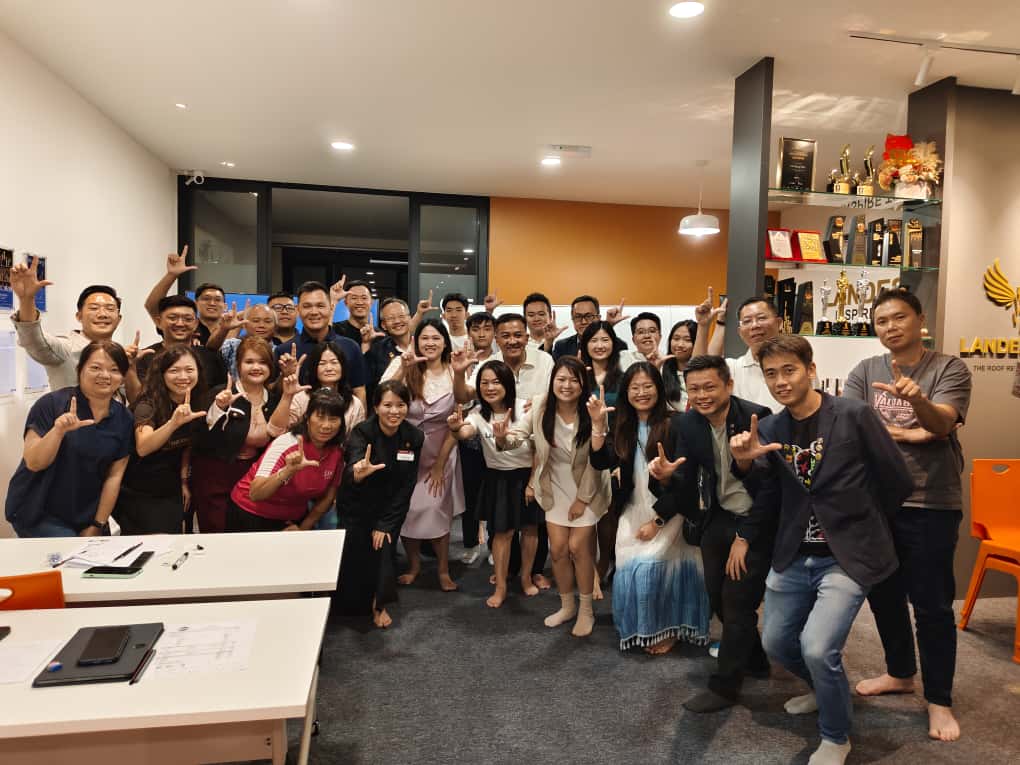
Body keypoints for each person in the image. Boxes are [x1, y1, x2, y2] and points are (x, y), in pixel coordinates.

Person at [729, 335, 912, 765]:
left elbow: (897, 480)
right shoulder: (770, 428)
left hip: (846, 557)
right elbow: (768, 493)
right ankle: (824, 688)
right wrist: (744, 463)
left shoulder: (853, 414)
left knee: (816, 647)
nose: (780, 381)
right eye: (771, 374)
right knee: (776, 642)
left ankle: (835, 736)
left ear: (811, 370)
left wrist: (862, 524)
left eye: (789, 370)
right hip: (794, 552)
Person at [844, 288, 972, 742]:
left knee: (932, 605)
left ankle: (939, 700)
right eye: (881, 321)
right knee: (884, 595)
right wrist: (911, 434)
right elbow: (853, 428)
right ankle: (900, 673)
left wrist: (920, 406)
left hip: (930, 502)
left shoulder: (949, 368)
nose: (890, 327)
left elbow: (942, 423)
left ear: (920, 320)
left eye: (899, 317)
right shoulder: (864, 371)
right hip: (878, 503)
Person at [646, 355, 773, 711]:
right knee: (717, 598)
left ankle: (724, 687)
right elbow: (684, 479)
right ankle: (756, 660)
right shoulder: (687, 423)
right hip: (717, 518)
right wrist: (665, 478)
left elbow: (770, 489)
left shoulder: (757, 417)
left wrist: (745, 538)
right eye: (694, 388)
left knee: (737, 602)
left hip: (755, 520)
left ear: (728, 385)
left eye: (709, 387)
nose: (702, 395)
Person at [590, 362, 711, 653]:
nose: (641, 393)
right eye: (635, 387)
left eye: (648, 386)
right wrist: (597, 426)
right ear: (626, 392)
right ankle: (643, 627)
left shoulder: (678, 423)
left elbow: (686, 481)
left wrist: (657, 522)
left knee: (654, 570)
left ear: (659, 388)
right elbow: (601, 461)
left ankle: (669, 629)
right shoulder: (623, 424)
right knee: (627, 568)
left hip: (671, 510)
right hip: (633, 508)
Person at [496, 356, 611, 637]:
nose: (566, 385)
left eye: (573, 380)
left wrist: (582, 500)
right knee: (558, 550)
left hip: (588, 487)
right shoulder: (540, 406)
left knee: (578, 548)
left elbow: (596, 462)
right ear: (552, 381)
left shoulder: (593, 410)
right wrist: (501, 437)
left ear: (583, 384)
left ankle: (586, 611)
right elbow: (517, 436)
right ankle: (567, 606)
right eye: (561, 379)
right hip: (554, 486)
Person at [454, 312, 555, 589]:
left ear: (526, 336)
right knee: (502, 528)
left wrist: (538, 402)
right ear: (496, 339)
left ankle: (531, 573)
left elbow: (556, 394)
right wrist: (460, 373)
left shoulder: (544, 360)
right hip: (497, 464)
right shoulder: (488, 367)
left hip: (533, 457)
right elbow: (464, 400)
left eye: (518, 335)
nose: (512, 340)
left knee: (533, 526)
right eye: (505, 335)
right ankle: (506, 574)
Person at [5, 341, 134, 537]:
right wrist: (58, 431)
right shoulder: (52, 404)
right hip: (38, 510)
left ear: (123, 377)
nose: (105, 375)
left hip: (85, 512)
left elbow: (114, 476)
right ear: (79, 369)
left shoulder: (123, 418)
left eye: (114, 370)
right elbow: (34, 463)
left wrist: (98, 523)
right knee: (70, 551)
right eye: (95, 368)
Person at [381, 318, 465, 591]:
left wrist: (440, 465)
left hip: (442, 450)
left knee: (436, 509)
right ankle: (414, 565)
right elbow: (382, 398)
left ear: (445, 342)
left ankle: (443, 570)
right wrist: (403, 369)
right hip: (405, 451)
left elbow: (458, 422)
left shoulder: (455, 370)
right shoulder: (404, 364)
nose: (430, 343)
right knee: (408, 510)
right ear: (416, 342)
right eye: (424, 338)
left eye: (435, 338)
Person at [335, 380, 425, 628]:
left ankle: (379, 604)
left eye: (400, 405)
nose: (394, 411)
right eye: (387, 405)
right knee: (355, 553)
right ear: (376, 407)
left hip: (390, 506)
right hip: (357, 503)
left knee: (383, 548)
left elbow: (408, 484)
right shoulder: (362, 432)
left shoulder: (414, 436)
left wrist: (385, 524)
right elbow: (353, 465)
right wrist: (358, 471)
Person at [448, 360, 538, 607]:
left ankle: (526, 578)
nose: (490, 388)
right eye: (484, 383)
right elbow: (465, 433)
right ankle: (501, 586)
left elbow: (539, 449)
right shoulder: (477, 414)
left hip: (527, 476)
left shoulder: (525, 408)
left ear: (508, 384)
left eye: (496, 382)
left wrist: (532, 482)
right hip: (498, 478)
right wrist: (455, 429)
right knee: (501, 533)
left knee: (530, 529)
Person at [189, 337, 293, 534]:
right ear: (238, 365)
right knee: (219, 534)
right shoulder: (221, 393)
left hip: (253, 478)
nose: (256, 367)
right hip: (216, 478)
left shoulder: (274, 399)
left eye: (262, 362)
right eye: (249, 362)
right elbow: (200, 436)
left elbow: (277, 438)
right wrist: (219, 407)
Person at [114, 346, 210, 535]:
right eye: (174, 370)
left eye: (189, 370)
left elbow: (186, 445)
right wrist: (173, 424)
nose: (183, 376)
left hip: (170, 487)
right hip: (138, 490)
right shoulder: (148, 404)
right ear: (162, 374)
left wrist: (183, 481)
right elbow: (143, 447)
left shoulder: (196, 401)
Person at [227, 389, 347, 531]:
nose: (326, 425)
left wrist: (302, 529)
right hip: (251, 512)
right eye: (320, 417)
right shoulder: (287, 443)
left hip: (292, 518)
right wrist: (287, 471)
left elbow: (327, 498)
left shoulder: (337, 452)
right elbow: (255, 493)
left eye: (333, 419)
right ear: (307, 418)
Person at [9, 254, 128, 391]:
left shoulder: (122, 354)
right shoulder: (66, 348)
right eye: (94, 308)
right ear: (79, 316)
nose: (102, 314)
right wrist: (27, 300)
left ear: (119, 319)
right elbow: (35, 341)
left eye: (110, 308)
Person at [579, 319, 626, 587]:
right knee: (585, 509)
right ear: (585, 345)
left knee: (609, 511)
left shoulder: (622, 376)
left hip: (614, 448)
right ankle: (586, 564)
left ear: (613, 344)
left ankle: (605, 561)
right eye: (593, 340)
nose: (599, 345)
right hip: (581, 448)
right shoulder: (579, 374)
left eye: (605, 340)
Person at [273, 281, 367, 406]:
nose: (314, 312)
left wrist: (359, 418)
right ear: (298, 310)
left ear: (331, 308)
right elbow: (274, 395)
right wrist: (286, 375)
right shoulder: (284, 351)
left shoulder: (350, 347)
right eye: (307, 306)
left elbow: (359, 391)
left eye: (320, 306)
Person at [129, 295, 227, 402]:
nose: (180, 323)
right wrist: (130, 368)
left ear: (196, 324)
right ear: (159, 322)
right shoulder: (145, 356)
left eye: (187, 319)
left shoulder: (211, 357)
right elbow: (136, 400)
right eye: (172, 318)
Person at [457, 311, 497, 565]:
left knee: (494, 494)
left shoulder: (500, 360)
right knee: (469, 494)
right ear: (469, 332)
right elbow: (459, 398)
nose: (481, 334)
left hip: (495, 437)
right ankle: (471, 543)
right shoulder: (460, 359)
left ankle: (494, 545)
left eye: (487, 328)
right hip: (468, 437)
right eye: (476, 329)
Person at [695, 293, 781, 410]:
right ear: (740, 332)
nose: (755, 325)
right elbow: (698, 374)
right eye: (747, 321)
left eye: (761, 318)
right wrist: (703, 326)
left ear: (778, 323)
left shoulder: (796, 364)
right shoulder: (732, 368)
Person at [285, 340, 366, 432]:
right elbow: (283, 430)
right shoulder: (300, 399)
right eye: (322, 363)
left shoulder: (354, 403)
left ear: (342, 366)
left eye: (334, 362)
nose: (329, 368)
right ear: (314, 368)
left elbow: (357, 437)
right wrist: (287, 395)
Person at [364, 297, 416, 403]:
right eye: (391, 318)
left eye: (401, 316)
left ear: (409, 318)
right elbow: (371, 390)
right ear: (383, 325)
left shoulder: (422, 345)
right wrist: (365, 344)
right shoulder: (377, 351)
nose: (397, 321)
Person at [209, 303, 278, 379]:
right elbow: (210, 350)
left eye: (267, 321)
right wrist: (224, 329)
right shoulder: (232, 345)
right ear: (244, 325)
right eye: (256, 321)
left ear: (275, 326)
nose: (261, 325)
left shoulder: (279, 352)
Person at [551, 295, 629, 360]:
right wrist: (549, 341)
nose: (583, 321)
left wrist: (607, 327)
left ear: (598, 318)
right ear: (572, 319)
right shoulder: (562, 346)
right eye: (578, 317)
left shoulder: (618, 345)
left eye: (589, 316)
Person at [661, 319, 698, 412]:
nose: (680, 344)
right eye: (676, 339)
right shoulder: (661, 371)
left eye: (688, 340)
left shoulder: (704, 373)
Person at [331, 279, 378, 347]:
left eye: (364, 298)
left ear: (372, 302)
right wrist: (333, 301)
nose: (359, 302)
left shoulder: (378, 335)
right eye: (354, 298)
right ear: (346, 302)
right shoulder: (335, 330)